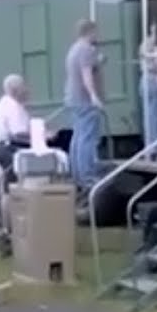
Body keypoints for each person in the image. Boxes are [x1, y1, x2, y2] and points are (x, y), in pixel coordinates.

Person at [63, 18, 105, 192]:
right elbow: (86, 74)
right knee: (88, 137)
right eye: (96, 32)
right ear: (91, 32)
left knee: (78, 137)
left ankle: (77, 174)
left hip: (72, 98)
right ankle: (87, 176)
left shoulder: (73, 49)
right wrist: (94, 96)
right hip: (84, 99)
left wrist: (98, 61)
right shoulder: (87, 50)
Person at [138, 23, 157, 158]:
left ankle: (150, 146)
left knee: (149, 116)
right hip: (153, 79)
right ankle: (155, 148)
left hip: (144, 79)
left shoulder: (144, 43)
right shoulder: (155, 43)